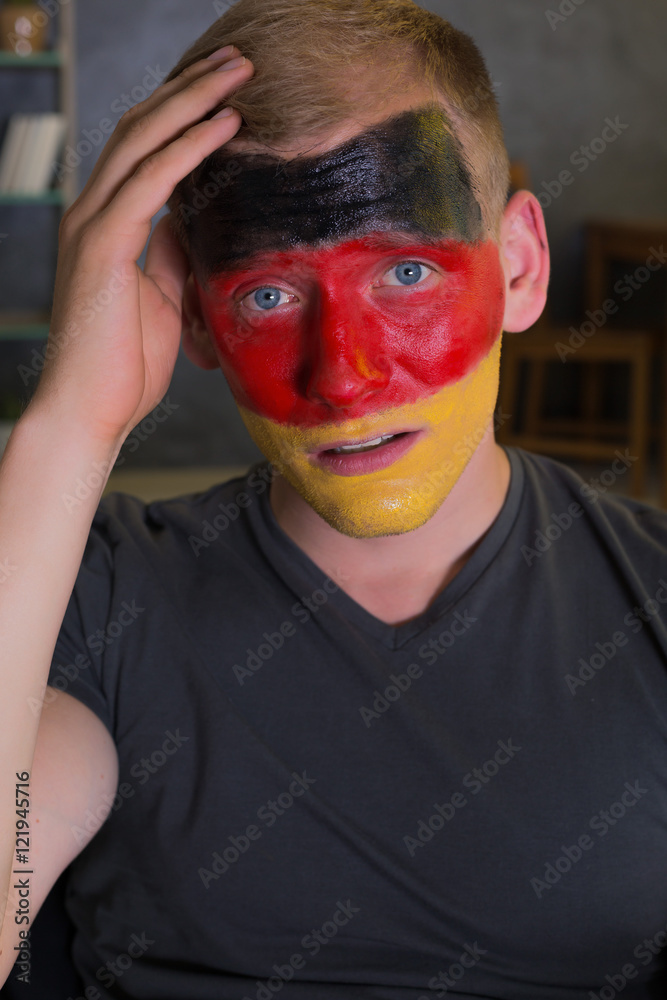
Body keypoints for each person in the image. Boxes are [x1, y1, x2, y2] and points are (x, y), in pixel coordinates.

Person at [1, 0, 666, 997]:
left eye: (406, 271)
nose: (343, 378)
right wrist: (67, 430)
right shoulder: (92, 598)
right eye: (267, 295)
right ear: (198, 319)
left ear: (519, 267)